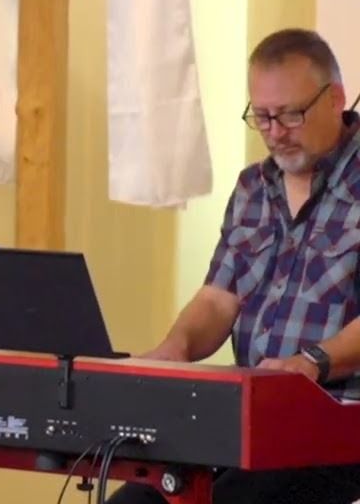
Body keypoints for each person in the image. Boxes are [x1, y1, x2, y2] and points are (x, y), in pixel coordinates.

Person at [110, 28, 360, 503]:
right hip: (252, 421)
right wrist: (176, 347)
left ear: (336, 99)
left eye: (290, 115)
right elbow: (218, 298)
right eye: (261, 117)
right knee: (136, 501)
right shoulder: (252, 189)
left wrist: (312, 364)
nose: (275, 133)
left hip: (340, 425)